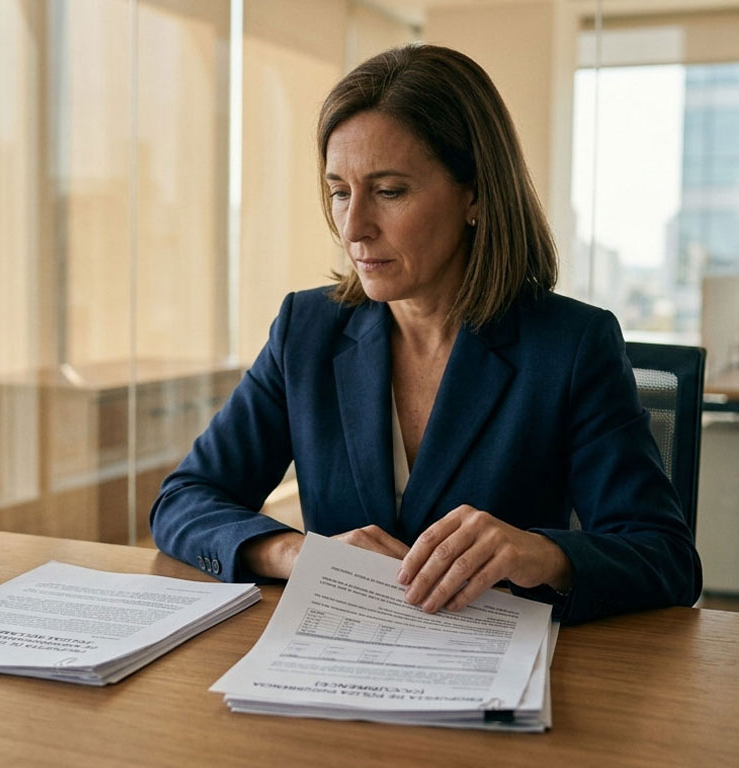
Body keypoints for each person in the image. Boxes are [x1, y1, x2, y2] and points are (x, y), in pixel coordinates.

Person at [149, 43, 701, 624]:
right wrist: (299, 553)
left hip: (497, 674)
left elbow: (665, 558)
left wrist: (544, 553)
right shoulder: (306, 330)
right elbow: (184, 502)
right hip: (336, 661)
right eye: (340, 192)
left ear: (476, 195)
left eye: (389, 192)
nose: (354, 228)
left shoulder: (571, 345)